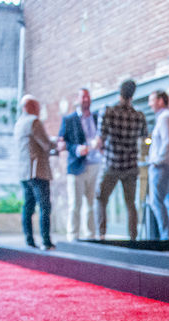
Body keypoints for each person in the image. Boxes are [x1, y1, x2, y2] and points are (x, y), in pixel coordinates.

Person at [96, 80, 147, 240]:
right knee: (130, 204)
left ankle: (101, 234)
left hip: (112, 164)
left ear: (119, 92)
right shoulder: (138, 116)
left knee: (101, 198)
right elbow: (145, 138)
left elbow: (100, 139)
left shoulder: (108, 111)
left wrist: (100, 149)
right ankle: (133, 237)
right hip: (131, 165)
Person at [58, 88, 102, 240]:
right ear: (77, 99)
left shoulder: (96, 117)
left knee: (91, 204)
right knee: (75, 204)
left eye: (88, 97)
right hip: (77, 166)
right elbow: (62, 142)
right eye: (83, 97)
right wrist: (76, 149)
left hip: (94, 163)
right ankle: (73, 236)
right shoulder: (69, 120)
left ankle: (90, 235)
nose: (86, 100)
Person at [14, 95, 57, 250]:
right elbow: (46, 144)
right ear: (30, 106)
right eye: (37, 106)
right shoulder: (34, 122)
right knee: (44, 207)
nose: (38, 110)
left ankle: (29, 240)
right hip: (37, 171)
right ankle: (46, 241)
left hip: (24, 172)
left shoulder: (18, 123)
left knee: (28, 207)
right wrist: (57, 143)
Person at [147, 90, 169, 240]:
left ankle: (167, 236)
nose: (149, 104)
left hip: (163, 167)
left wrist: (157, 160)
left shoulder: (164, 118)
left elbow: (167, 142)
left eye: (152, 100)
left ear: (161, 101)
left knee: (156, 202)